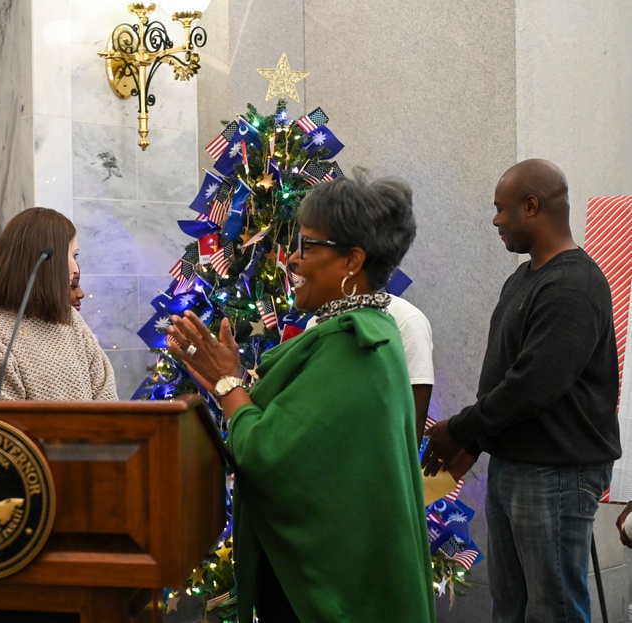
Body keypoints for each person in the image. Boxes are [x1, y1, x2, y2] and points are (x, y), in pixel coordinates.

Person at [166, 172, 434, 622]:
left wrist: (229, 385)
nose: (292, 257)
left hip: (328, 591)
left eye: (308, 246)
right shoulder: (362, 333)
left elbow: (268, 454)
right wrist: (227, 381)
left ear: (352, 260)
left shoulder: (355, 345)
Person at [421, 159, 621, 623]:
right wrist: (476, 440)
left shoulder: (572, 284)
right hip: (517, 467)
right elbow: (509, 377)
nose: (494, 220)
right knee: (509, 609)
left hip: (556, 476)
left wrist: (463, 427)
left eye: (501, 209)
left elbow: (533, 386)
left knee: (553, 612)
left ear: (532, 206)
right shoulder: (525, 277)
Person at [0, 207, 117, 401]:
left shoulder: (70, 317)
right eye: (73, 256)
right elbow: (2, 423)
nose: (75, 268)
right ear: (43, 260)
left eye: (76, 256)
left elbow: (106, 395)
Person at [309, 293, 434, 445]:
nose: (297, 271)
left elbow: (414, 421)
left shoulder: (407, 320)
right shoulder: (317, 319)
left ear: (351, 268)